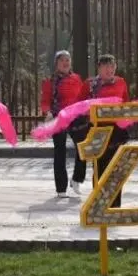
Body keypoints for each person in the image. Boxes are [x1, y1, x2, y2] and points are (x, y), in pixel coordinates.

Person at [77, 54, 130, 205]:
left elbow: (126, 103)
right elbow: (79, 105)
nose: (110, 69)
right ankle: (99, 204)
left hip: (117, 131)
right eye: (106, 66)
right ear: (99, 68)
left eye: (112, 66)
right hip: (98, 130)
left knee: (116, 168)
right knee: (100, 167)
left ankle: (115, 205)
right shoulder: (90, 84)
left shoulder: (121, 82)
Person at [40, 51, 85, 198]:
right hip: (58, 117)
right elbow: (45, 100)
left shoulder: (77, 78)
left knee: (83, 147)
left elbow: (82, 97)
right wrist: (47, 112)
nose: (66, 63)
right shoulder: (50, 81)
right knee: (60, 151)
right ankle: (61, 188)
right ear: (56, 63)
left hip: (76, 117)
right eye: (62, 60)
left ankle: (77, 178)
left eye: (68, 60)